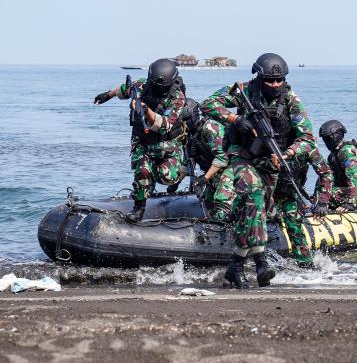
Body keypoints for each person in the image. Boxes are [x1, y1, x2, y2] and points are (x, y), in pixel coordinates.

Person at [200, 53, 315, 288]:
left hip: (272, 160)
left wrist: (288, 154)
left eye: (279, 80)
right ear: (259, 77)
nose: (275, 85)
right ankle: (261, 262)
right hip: (243, 157)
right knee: (253, 197)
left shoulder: (291, 100)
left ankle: (236, 266)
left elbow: (307, 138)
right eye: (270, 81)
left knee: (254, 213)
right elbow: (208, 104)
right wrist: (235, 118)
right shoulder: (243, 91)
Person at [93, 58, 186, 222]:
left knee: (166, 176)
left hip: (168, 145)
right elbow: (125, 89)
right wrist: (107, 95)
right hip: (143, 141)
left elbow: (164, 125)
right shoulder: (143, 85)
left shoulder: (177, 98)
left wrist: (145, 110)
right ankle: (139, 207)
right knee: (143, 172)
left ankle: (181, 171)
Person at [167, 98, 236, 224]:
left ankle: (230, 225)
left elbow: (223, 157)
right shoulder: (189, 137)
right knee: (207, 202)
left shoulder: (210, 128)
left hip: (231, 168)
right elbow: (186, 162)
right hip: (214, 172)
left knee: (221, 201)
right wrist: (176, 182)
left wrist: (205, 178)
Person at [271, 143, 333, 268]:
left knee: (294, 227)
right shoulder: (265, 143)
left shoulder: (306, 147)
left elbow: (326, 173)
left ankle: (305, 265)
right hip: (266, 193)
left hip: (290, 194)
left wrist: (322, 201)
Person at [318, 120, 357, 211]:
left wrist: (350, 202)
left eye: (328, 139)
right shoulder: (333, 155)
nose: (326, 142)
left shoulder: (347, 152)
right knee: (322, 192)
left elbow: (354, 178)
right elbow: (327, 177)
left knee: (327, 194)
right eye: (324, 139)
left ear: (336, 136)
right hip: (356, 190)